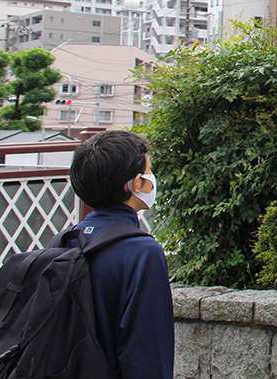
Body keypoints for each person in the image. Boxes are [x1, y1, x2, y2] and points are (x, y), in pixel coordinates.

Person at [69, 130, 175, 379]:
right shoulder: (141, 253)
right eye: (148, 171)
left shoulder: (66, 240)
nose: (151, 178)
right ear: (136, 184)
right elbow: (147, 354)